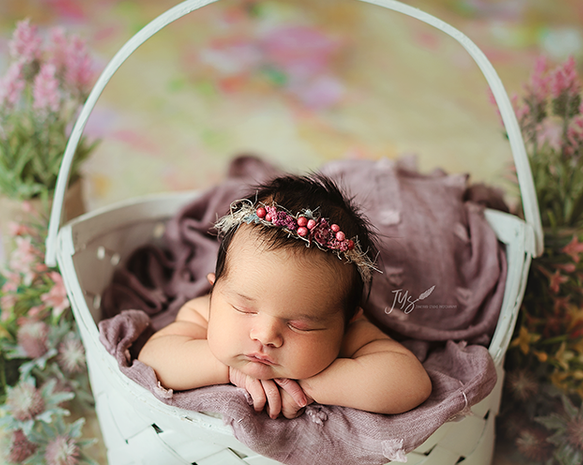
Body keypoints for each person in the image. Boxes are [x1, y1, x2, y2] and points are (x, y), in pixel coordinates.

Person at [136, 174, 432, 419]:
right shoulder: (205, 313)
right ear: (214, 290)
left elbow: (411, 384)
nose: (265, 335)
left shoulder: (349, 335)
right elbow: (153, 359)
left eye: (299, 324)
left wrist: (308, 384)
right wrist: (228, 369)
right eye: (244, 308)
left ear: (347, 319)